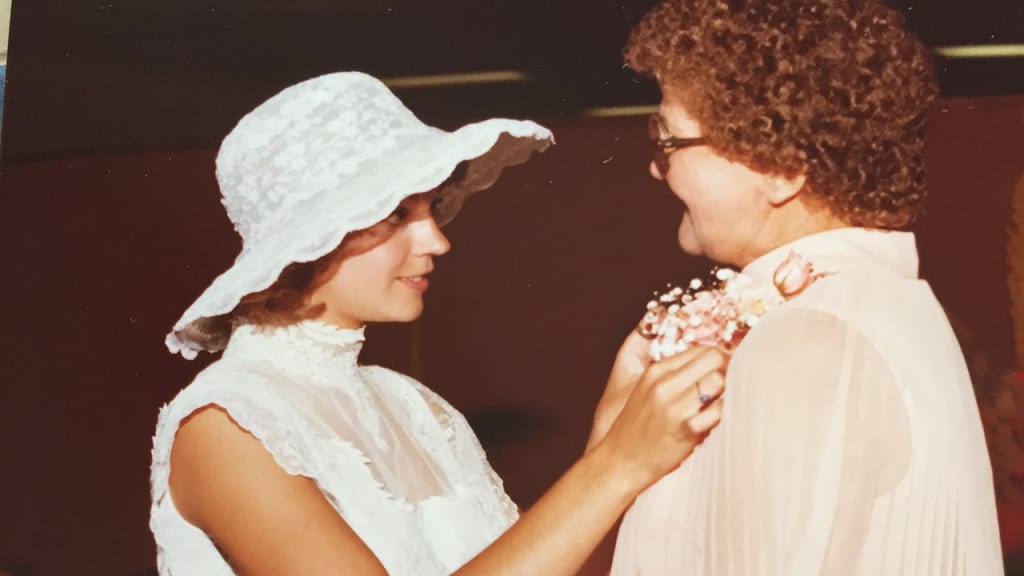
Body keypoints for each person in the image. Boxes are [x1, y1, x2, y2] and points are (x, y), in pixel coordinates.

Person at [150, 71, 728, 575]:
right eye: (399, 215)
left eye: (431, 210)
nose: (438, 240)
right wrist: (614, 463)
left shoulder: (415, 407)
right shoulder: (228, 423)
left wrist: (613, 429)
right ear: (309, 241)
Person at [597, 1, 1005, 574]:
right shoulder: (879, 303)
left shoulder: (811, 334)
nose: (655, 167)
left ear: (782, 168)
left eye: (669, 140)